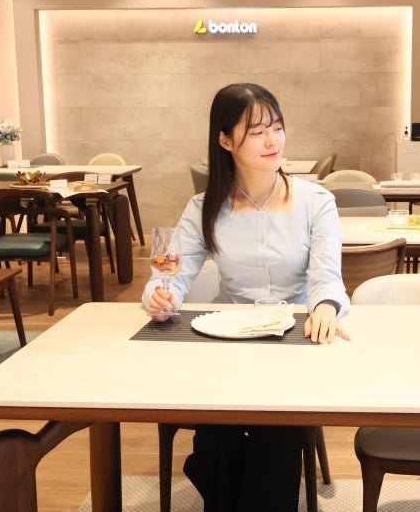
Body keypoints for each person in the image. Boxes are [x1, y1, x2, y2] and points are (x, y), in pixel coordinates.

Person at [142, 82, 350, 511]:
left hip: (293, 343)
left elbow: (327, 277)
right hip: (226, 345)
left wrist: (326, 306)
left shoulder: (315, 201)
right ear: (225, 140)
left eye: (277, 127)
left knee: (276, 438)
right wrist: (160, 298)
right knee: (217, 438)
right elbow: (170, 276)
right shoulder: (204, 207)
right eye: (257, 132)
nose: (273, 140)